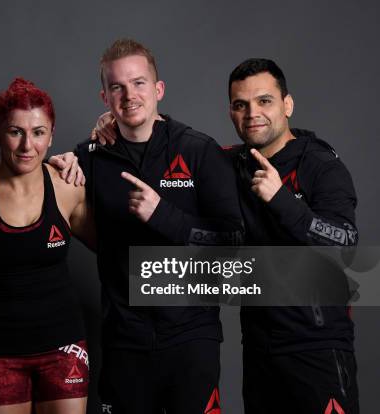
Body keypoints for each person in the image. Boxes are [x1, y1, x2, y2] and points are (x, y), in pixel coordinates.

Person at [75, 39, 243, 414]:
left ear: (158, 89)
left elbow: (234, 241)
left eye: (138, 83)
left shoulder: (198, 150)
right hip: (124, 342)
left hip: (190, 337)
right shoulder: (88, 157)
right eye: (117, 86)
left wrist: (164, 216)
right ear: (105, 97)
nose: (129, 95)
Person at [226, 58, 359, 414]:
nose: (252, 113)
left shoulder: (320, 165)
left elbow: (345, 242)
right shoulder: (233, 164)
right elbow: (178, 148)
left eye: (264, 101)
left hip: (317, 348)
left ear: (288, 104)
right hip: (259, 351)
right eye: (241, 104)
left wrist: (282, 199)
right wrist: (107, 131)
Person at [0, 78, 94, 414]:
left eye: (38, 132)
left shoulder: (68, 187)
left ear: (51, 135)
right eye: (15, 131)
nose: (26, 146)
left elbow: (116, 249)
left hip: (63, 345)